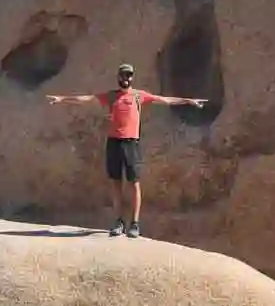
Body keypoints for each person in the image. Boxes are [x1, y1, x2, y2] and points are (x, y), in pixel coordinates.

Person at [44, 64, 206, 237]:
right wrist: (62, 99)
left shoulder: (138, 96)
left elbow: (165, 100)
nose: (126, 78)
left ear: (132, 78)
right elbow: (87, 99)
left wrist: (188, 101)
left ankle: (134, 224)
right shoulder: (111, 96)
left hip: (131, 143)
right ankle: (119, 222)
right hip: (114, 142)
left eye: (129, 75)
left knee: (134, 183)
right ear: (118, 77)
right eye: (123, 75)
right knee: (115, 183)